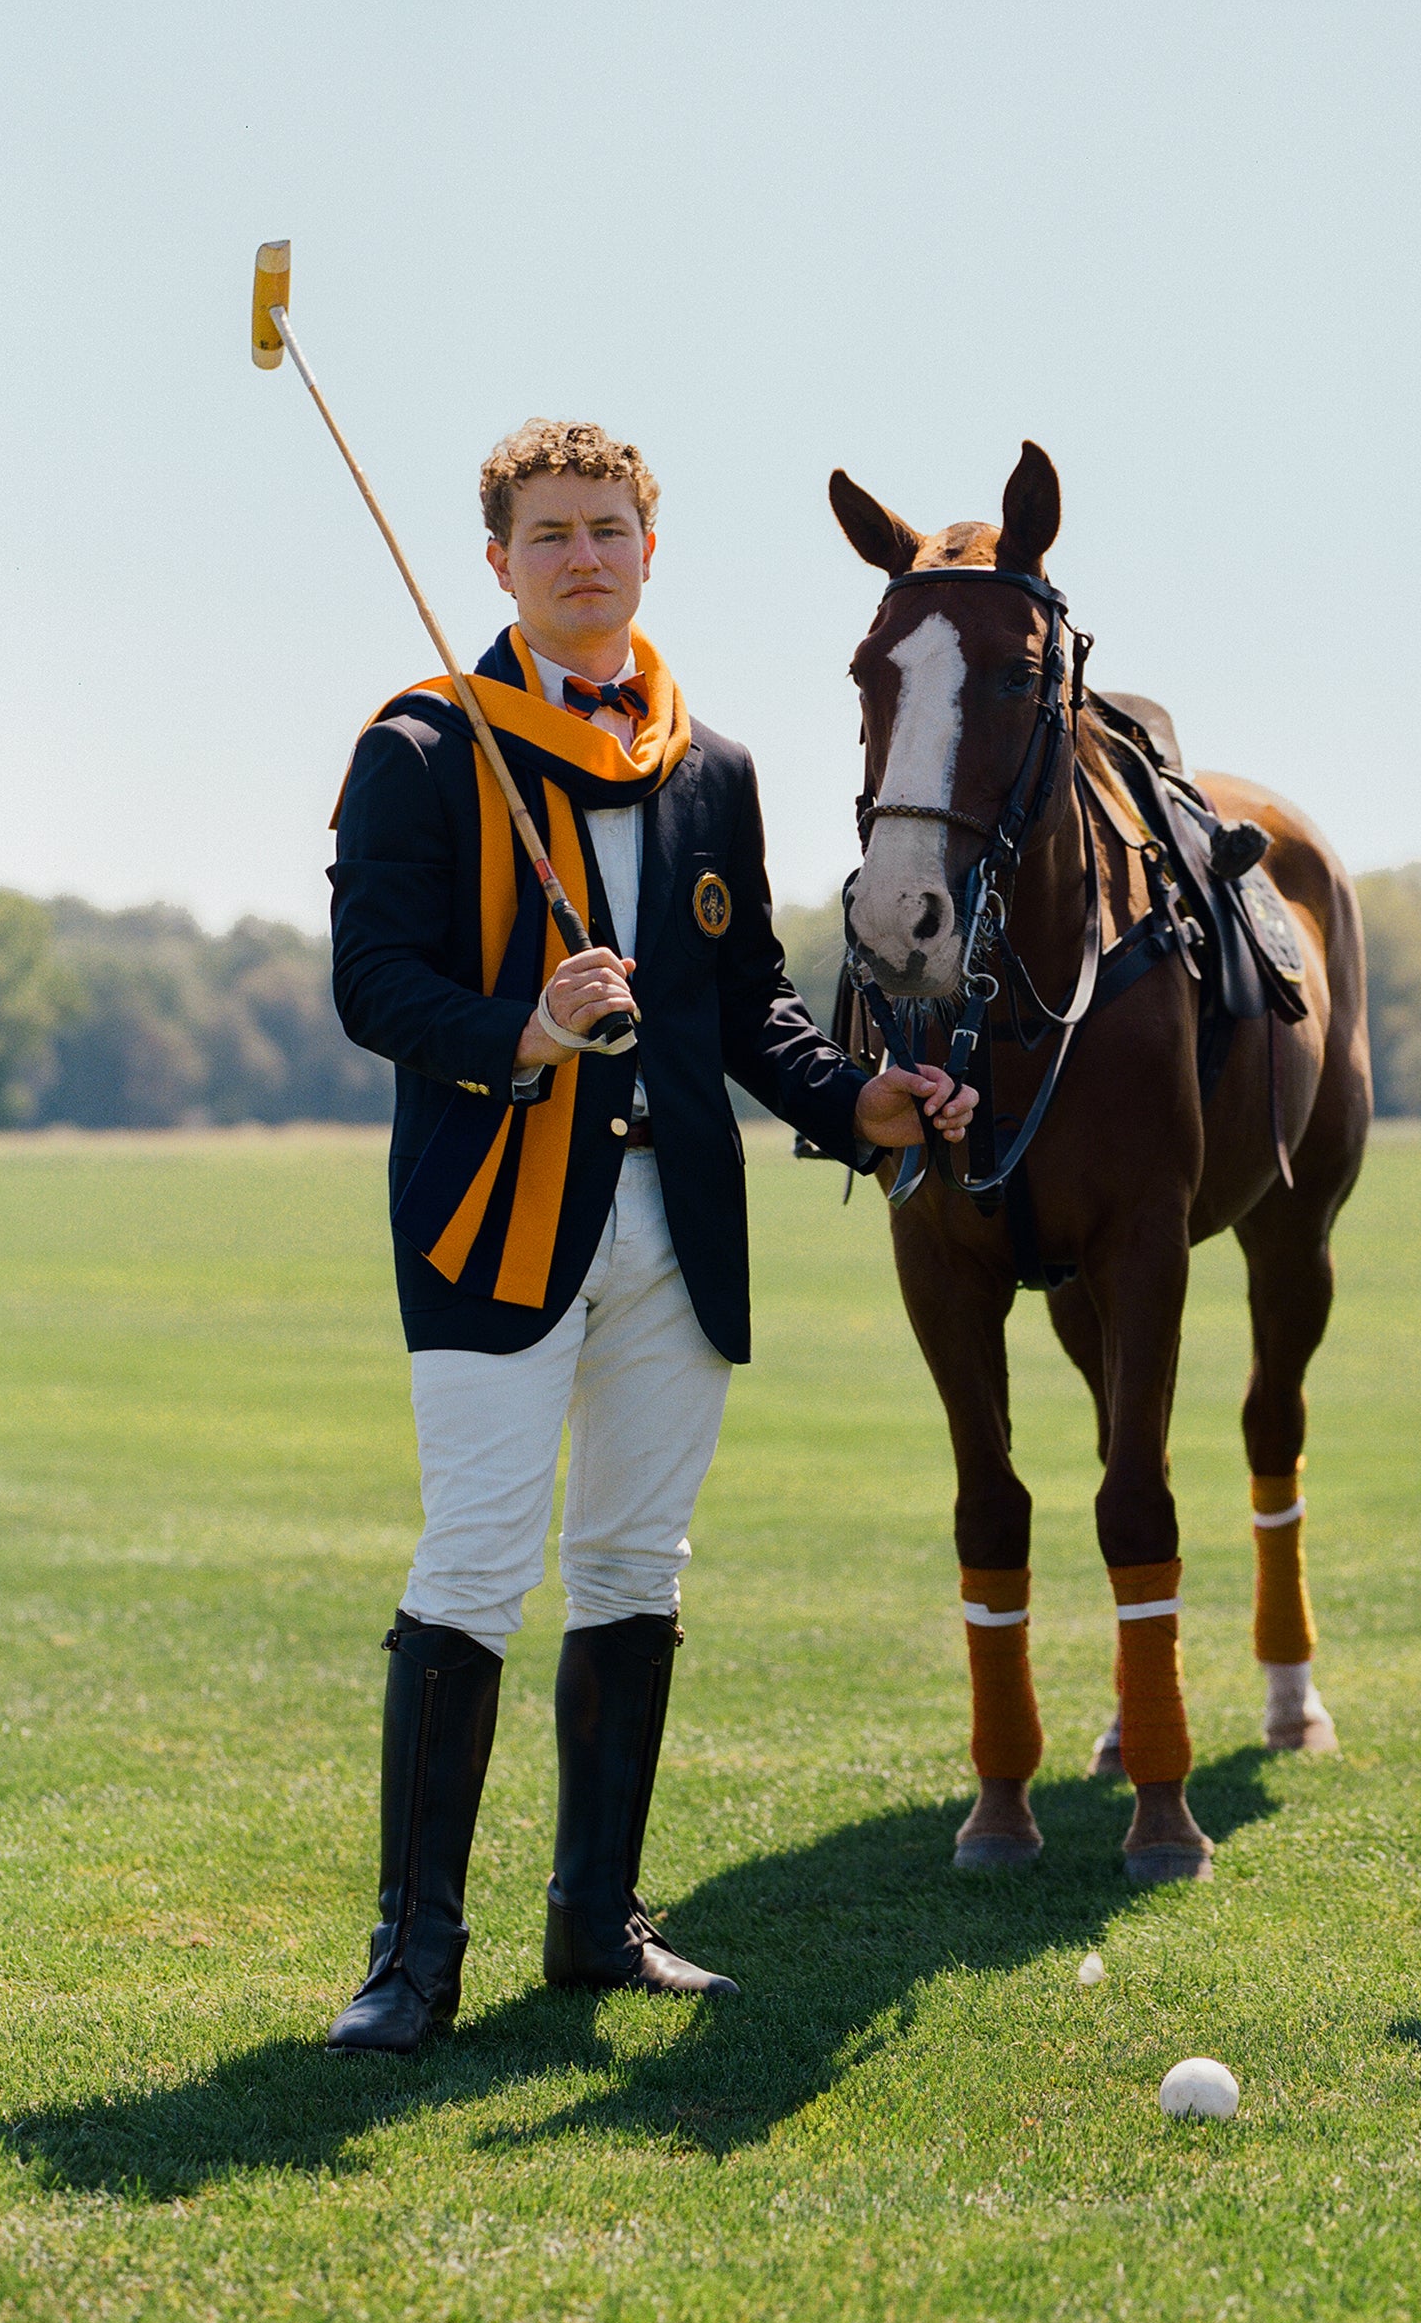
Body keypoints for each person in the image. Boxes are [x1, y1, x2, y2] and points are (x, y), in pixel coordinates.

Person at [322, 418, 972, 2054]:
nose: (585, 558)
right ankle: (411, 1960)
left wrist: (853, 1105)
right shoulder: (419, 746)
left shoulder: (710, 769)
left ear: (650, 549)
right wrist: (523, 1033)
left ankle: (597, 1926)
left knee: (631, 1567)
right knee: (473, 1564)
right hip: (493, 1219)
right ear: (500, 564)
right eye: (550, 535)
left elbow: (743, 997)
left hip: (674, 1220)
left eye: (609, 528)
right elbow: (372, 985)